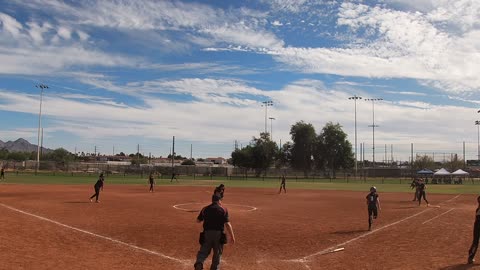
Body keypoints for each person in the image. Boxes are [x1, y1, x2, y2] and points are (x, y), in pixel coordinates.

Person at [194, 194, 235, 270]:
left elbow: (198, 220)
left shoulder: (205, 209)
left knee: (203, 251)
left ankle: (199, 262)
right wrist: (232, 236)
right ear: (219, 200)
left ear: (212, 200)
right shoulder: (224, 209)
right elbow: (227, 224)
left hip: (207, 233)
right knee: (217, 254)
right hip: (218, 234)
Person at [468, 196, 480, 264]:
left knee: (475, 242)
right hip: (478, 225)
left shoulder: (477, 209)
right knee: (475, 242)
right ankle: (470, 257)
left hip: (476, 225)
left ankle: (470, 257)